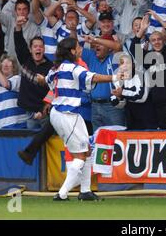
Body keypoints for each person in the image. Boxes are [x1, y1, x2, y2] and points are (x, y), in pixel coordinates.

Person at [46, 37, 121, 201]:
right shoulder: (73, 68)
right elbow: (93, 77)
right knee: (80, 155)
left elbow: (47, 82)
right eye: (78, 47)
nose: (80, 49)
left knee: (86, 149)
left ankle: (85, 191)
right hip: (67, 113)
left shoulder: (54, 69)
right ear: (72, 51)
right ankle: (62, 193)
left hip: (62, 112)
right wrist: (115, 77)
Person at [0, 55, 28, 129]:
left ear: (14, 67)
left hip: (18, 125)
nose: (5, 65)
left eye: (9, 64)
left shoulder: (17, 79)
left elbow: (6, 84)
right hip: (2, 125)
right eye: (3, 64)